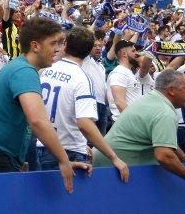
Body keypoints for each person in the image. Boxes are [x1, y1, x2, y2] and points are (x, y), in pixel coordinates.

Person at [0, 18, 89, 193]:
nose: (58, 49)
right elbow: (38, 121)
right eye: (53, 43)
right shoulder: (24, 71)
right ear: (35, 46)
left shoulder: (20, 68)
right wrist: (63, 159)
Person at [36, 27, 129, 181]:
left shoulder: (46, 69)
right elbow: (84, 123)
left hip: (43, 145)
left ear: (65, 45)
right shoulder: (81, 78)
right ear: (88, 52)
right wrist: (114, 157)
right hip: (70, 151)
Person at [94, 70, 185, 187]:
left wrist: (182, 156)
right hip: (108, 172)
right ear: (171, 90)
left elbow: (161, 138)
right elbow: (164, 156)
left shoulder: (151, 99)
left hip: (104, 165)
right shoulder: (164, 112)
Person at [106, 40, 141, 122]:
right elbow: (119, 102)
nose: (136, 54)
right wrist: (135, 121)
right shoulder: (119, 72)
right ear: (124, 54)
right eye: (133, 51)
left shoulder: (127, 72)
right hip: (125, 123)